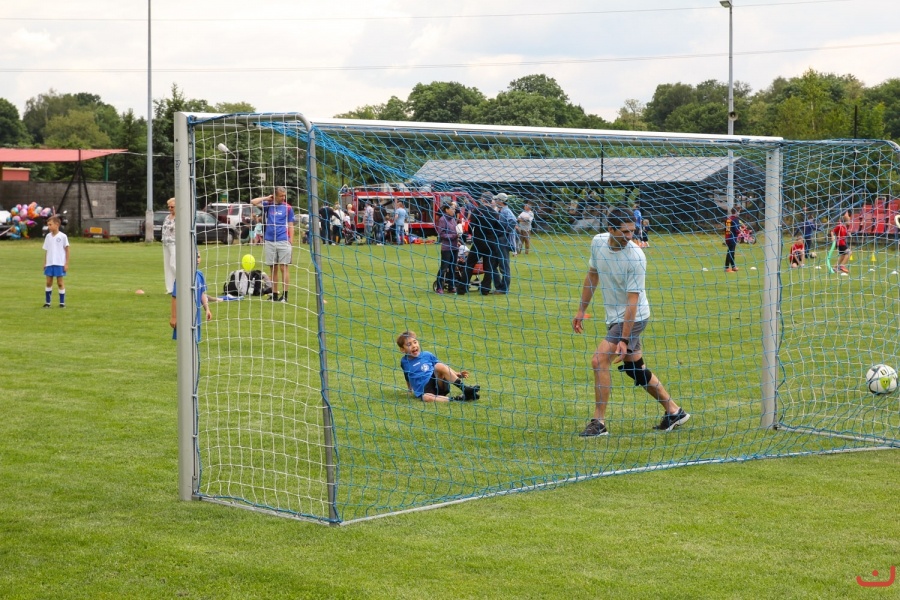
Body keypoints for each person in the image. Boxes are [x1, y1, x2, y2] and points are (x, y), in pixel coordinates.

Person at [573, 207, 689, 437]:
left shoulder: (636, 256)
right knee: (634, 369)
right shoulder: (598, 242)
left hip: (633, 316)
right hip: (615, 315)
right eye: (624, 232)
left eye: (632, 231)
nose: (630, 236)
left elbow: (632, 302)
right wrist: (581, 310)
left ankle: (599, 423)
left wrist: (624, 339)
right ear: (610, 229)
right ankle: (674, 411)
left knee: (599, 360)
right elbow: (592, 275)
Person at [396, 331, 480, 402]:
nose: (414, 346)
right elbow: (407, 376)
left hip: (438, 383)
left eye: (415, 342)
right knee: (426, 398)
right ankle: (459, 399)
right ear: (402, 349)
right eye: (409, 344)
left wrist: (456, 373)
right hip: (425, 391)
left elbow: (443, 367)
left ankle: (465, 388)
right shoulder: (404, 362)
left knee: (438, 365)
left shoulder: (427, 355)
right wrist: (409, 390)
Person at [250, 187, 295, 302]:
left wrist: (291, 241)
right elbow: (253, 202)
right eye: (281, 196)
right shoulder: (268, 205)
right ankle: (274, 295)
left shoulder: (288, 208)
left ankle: (285, 296)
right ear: (274, 195)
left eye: (284, 195)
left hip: (283, 240)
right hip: (269, 241)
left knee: (283, 267)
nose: (283, 198)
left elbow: (291, 225)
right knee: (273, 268)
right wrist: (267, 198)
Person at [464, 192, 504, 295]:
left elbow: (471, 225)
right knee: (489, 267)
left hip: (479, 241)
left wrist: (470, 234)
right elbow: (500, 229)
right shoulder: (494, 213)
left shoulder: (477, 210)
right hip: (490, 242)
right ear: (491, 200)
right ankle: (485, 289)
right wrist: (494, 236)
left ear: (482, 200)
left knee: (469, 264)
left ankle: (462, 288)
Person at [170, 252, 212, 341]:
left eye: (199, 257)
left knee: (195, 340)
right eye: (194, 257)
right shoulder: (182, 276)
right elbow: (175, 297)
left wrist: (207, 309)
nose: (197, 259)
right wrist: (174, 317)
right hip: (184, 315)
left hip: (197, 316)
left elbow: (202, 293)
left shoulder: (200, 274)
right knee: (185, 341)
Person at [42, 215, 69, 308]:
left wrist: (66, 263)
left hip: (59, 263)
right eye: (48, 225)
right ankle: (47, 302)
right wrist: (45, 263)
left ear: (57, 225)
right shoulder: (48, 237)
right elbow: (47, 250)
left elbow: (67, 250)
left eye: (50, 225)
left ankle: (62, 303)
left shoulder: (63, 236)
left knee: (60, 283)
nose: (48, 227)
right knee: (48, 282)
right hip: (50, 263)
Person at [495, 193, 517, 291]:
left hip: (503, 241)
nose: (495, 201)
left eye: (497, 200)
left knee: (504, 265)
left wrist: (505, 232)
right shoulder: (500, 210)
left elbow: (513, 221)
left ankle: (504, 289)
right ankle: (499, 286)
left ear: (501, 201)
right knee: (495, 265)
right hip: (499, 240)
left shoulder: (506, 211)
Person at [436, 203, 459, 294]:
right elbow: (441, 234)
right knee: (444, 267)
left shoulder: (453, 219)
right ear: (446, 210)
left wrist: (458, 238)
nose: (454, 211)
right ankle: (439, 287)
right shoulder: (442, 219)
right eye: (452, 209)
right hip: (446, 248)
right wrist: (454, 236)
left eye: (454, 209)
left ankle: (451, 286)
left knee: (453, 267)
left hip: (454, 247)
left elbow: (455, 231)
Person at [161, 197, 176, 293]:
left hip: (175, 244)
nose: (170, 208)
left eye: (172, 207)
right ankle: (170, 289)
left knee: (173, 264)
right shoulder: (167, 217)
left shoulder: (181, 217)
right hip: (166, 243)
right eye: (169, 207)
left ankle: (183, 283)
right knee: (167, 266)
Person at [724, 208, 739, 272]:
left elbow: (726, 229)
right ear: (736, 212)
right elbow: (736, 230)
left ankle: (733, 267)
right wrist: (740, 231)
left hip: (727, 237)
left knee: (731, 252)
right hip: (732, 238)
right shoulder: (735, 219)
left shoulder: (728, 219)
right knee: (730, 252)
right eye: (738, 212)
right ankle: (727, 267)